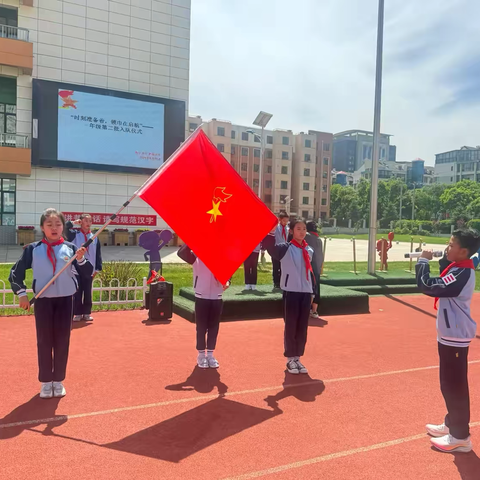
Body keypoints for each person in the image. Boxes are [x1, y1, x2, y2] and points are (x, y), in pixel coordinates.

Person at [9, 208, 92, 399]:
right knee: (45, 341)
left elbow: (87, 273)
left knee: (62, 341)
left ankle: (58, 380)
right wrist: (21, 294)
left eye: (58, 224)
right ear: (42, 228)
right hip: (43, 302)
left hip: (65, 301)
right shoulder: (33, 249)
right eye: (49, 225)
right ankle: (46, 382)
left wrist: (80, 260)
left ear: (63, 227)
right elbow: (15, 273)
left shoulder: (71, 249)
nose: (54, 228)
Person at [416, 228, 480, 453]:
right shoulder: (459, 267)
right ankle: (452, 423)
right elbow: (445, 271)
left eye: (452, 245)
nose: (448, 246)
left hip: (455, 335)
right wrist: (444, 256)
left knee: (454, 386)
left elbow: (428, 285)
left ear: (464, 251)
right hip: (450, 333)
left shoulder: (463, 272)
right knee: (448, 383)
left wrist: (422, 262)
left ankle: (460, 437)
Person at [263, 217, 317, 375]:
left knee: (302, 327)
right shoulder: (285, 248)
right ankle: (290, 359)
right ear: (291, 231)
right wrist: (271, 232)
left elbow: (310, 273)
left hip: (305, 294)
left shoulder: (309, 250)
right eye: (298, 229)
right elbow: (269, 247)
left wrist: (312, 291)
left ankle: (298, 357)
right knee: (291, 325)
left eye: (304, 229)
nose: (302, 232)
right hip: (291, 292)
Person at [177, 244, 230, 369]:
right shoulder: (197, 253)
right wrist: (193, 240)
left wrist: (228, 281)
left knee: (214, 327)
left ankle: (210, 354)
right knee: (201, 327)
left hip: (217, 295)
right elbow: (181, 253)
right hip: (201, 295)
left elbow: (228, 272)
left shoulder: (222, 255)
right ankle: (201, 354)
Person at [66, 214, 102, 322]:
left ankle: (86, 312)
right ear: (80, 222)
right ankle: (77, 313)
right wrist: (73, 223)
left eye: (90, 220)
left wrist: (97, 268)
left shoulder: (95, 237)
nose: (88, 223)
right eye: (85, 220)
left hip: (89, 269)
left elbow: (98, 253)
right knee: (77, 291)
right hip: (76, 268)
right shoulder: (74, 235)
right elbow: (63, 227)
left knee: (87, 291)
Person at [305, 221, 323, 318]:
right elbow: (321, 255)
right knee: (316, 288)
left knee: (309, 287)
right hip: (317, 266)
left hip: (309, 265)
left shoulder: (307, 236)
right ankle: (315, 311)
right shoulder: (318, 239)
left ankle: (307, 309)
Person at [272, 212, 290, 289]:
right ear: (280, 220)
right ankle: (276, 282)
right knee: (276, 267)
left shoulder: (288, 229)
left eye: (287, 221)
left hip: (285, 250)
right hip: (276, 249)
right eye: (284, 221)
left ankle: (283, 282)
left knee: (283, 267)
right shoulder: (276, 228)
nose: (285, 223)